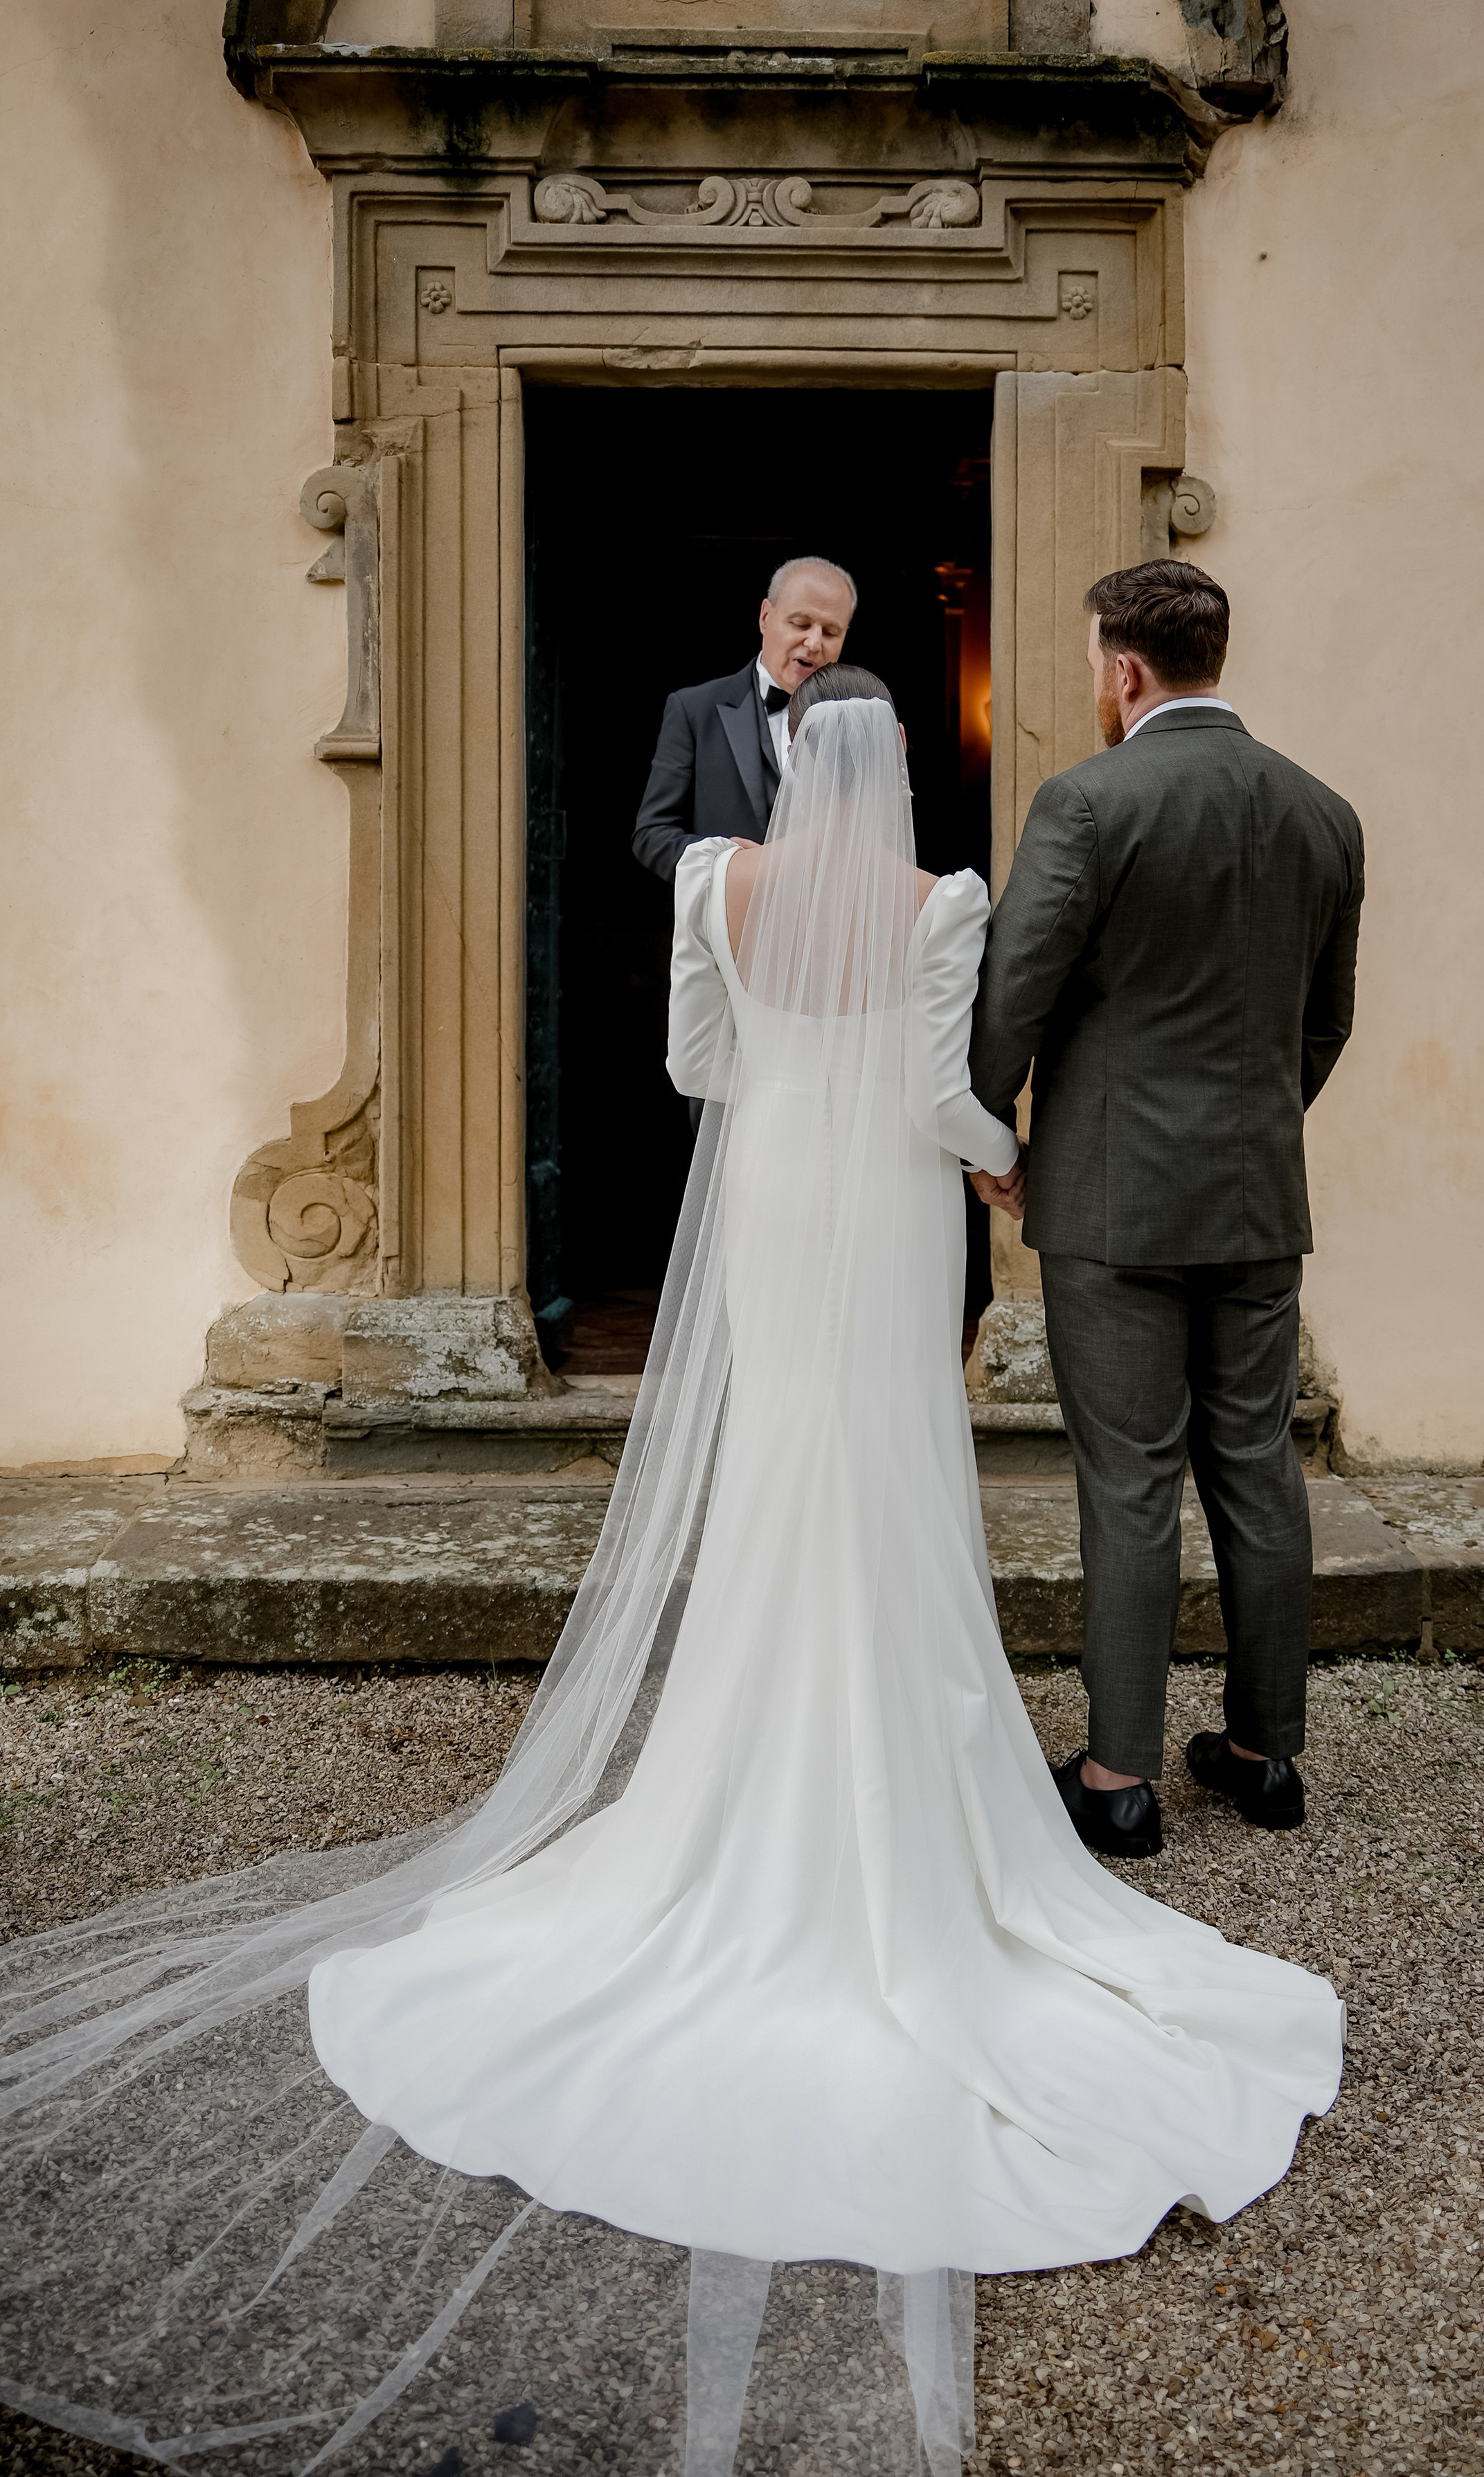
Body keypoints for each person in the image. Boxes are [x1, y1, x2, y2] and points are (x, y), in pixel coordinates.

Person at [0, 665, 1343, 2477]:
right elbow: (948, 1093)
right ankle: (896, 1764)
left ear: (792, 764)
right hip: (889, 1202)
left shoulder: (716, 878)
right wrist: (1004, 1164)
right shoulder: (943, 900)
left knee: (779, 1465)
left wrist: (793, 1071)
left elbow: (695, 1065)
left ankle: (741, 1756)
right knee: (885, 1470)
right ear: (896, 770)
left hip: (774, 1187)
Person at [970, 559, 1364, 1854]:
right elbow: (1324, 1024)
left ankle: (1119, 1779)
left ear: (1125, 667)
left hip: (1112, 1204)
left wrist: (993, 1137)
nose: (1096, 679)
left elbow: (1015, 992)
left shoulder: (1088, 802)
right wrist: (1248, 1130)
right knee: (1257, 1462)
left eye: (1096, 660)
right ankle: (1264, 1757)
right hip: (1257, 1196)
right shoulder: (1323, 812)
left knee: (1131, 1478)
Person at [631, 555, 856, 882]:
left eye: (831, 631)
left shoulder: (856, 722)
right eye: (801, 624)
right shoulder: (693, 709)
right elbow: (652, 835)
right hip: (729, 913)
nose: (814, 642)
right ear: (765, 617)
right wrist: (732, 866)